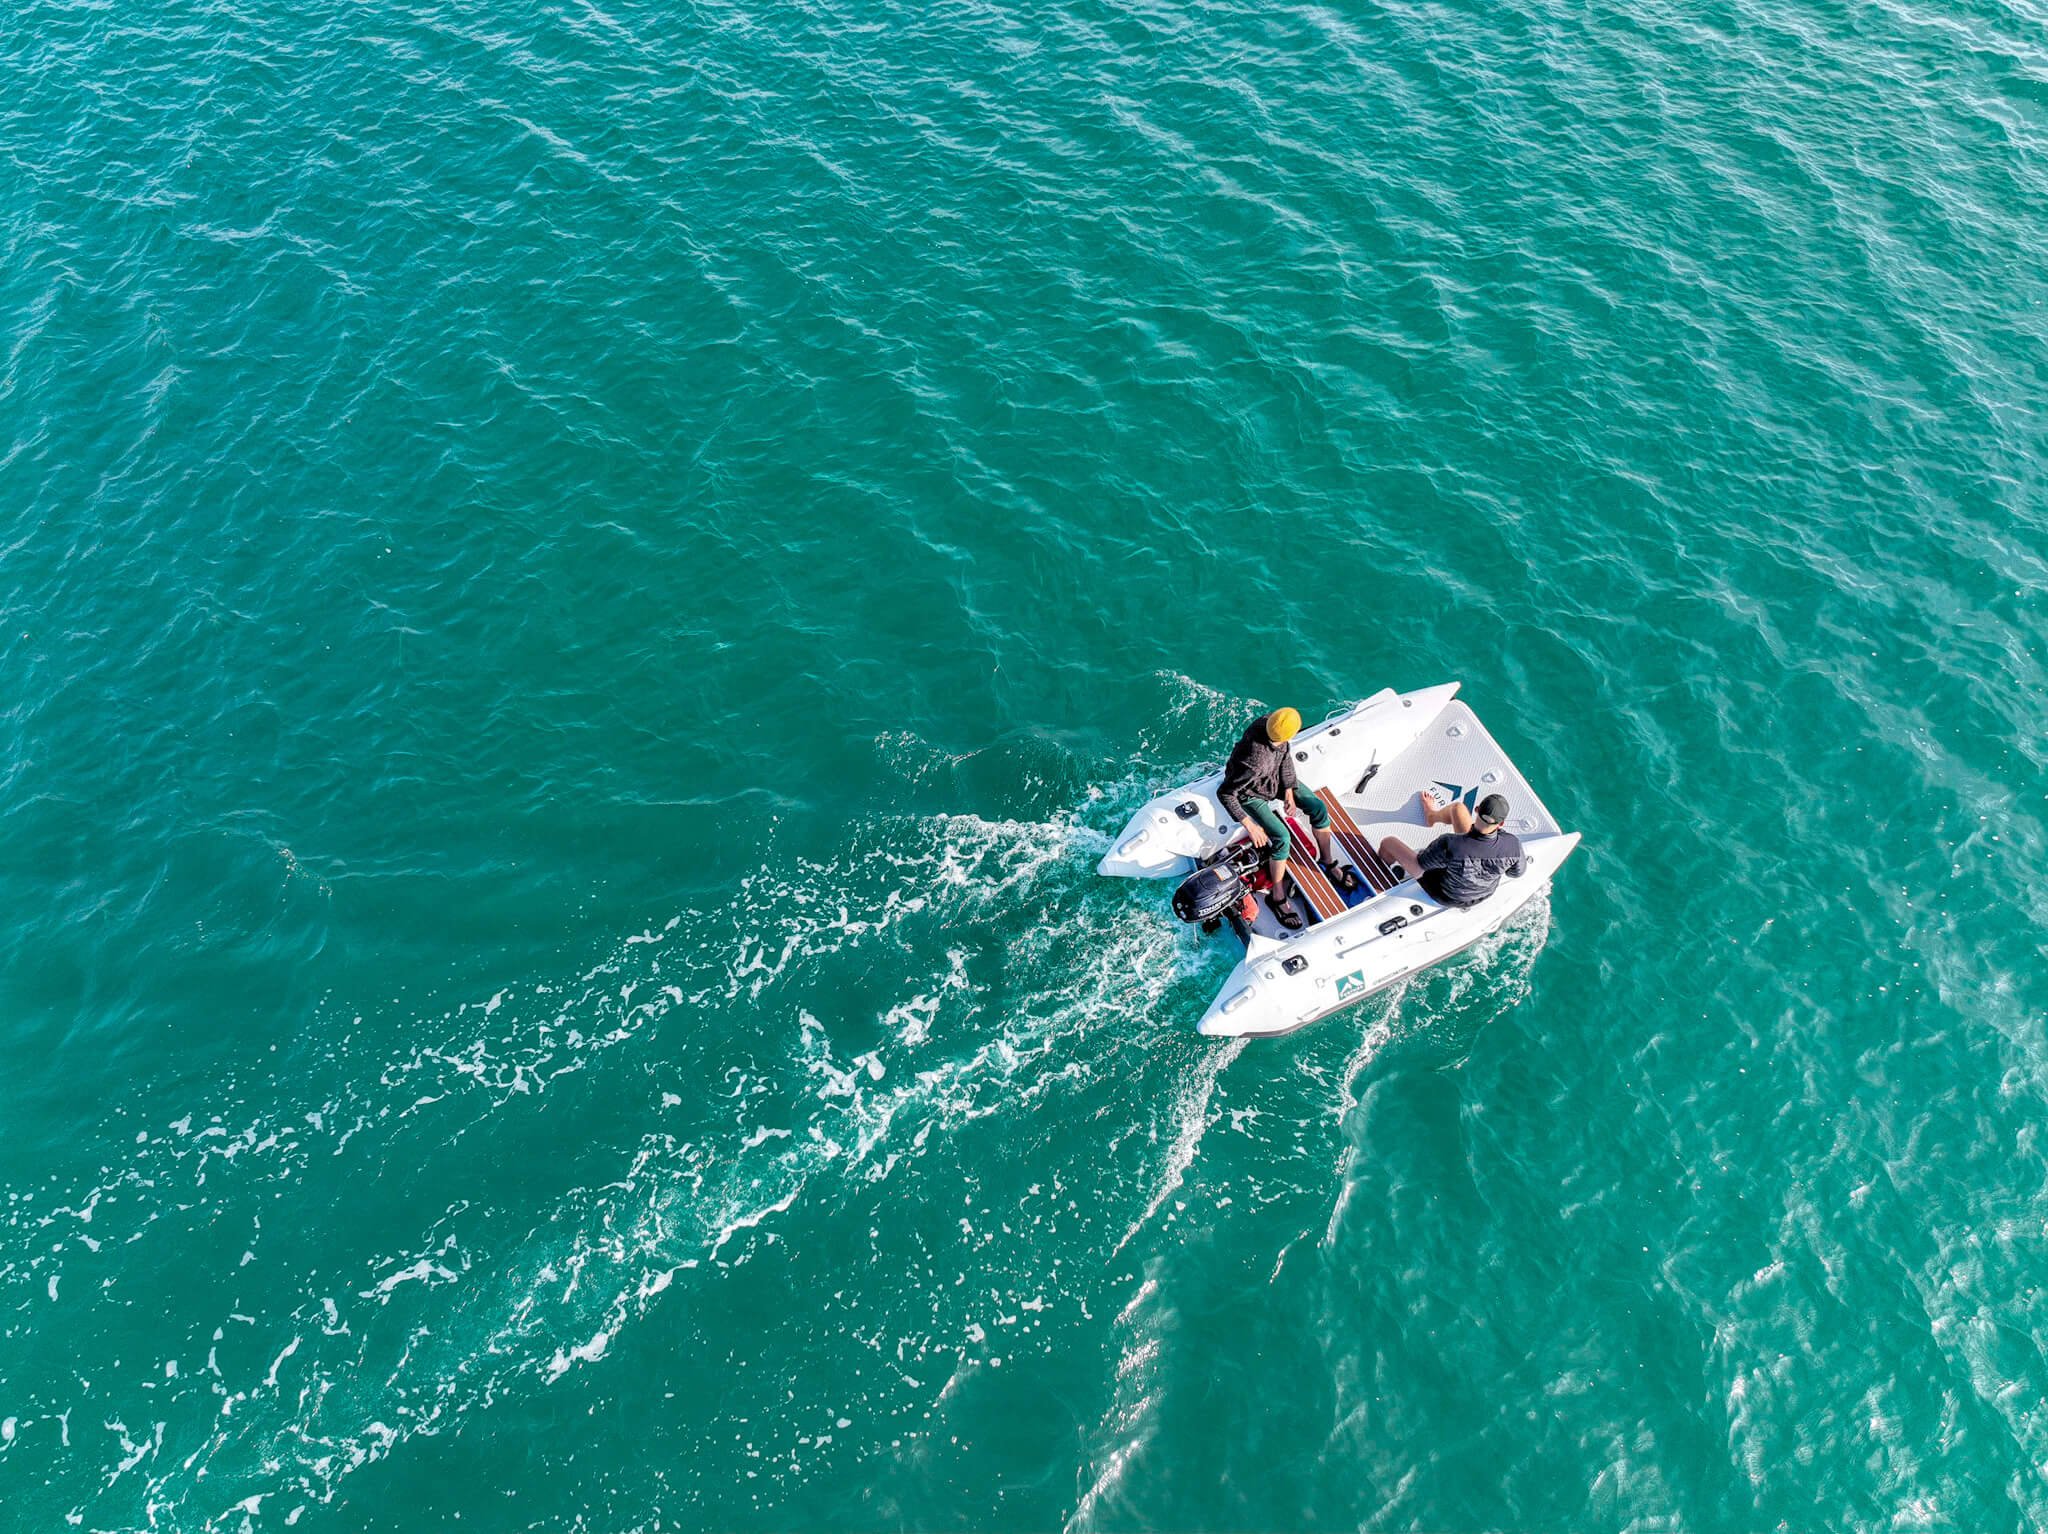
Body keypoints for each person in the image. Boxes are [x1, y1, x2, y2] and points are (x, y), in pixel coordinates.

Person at [1217, 707, 1359, 930]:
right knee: (1282, 837)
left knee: (1318, 808)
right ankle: (1278, 894)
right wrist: (1250, 825)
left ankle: (1328, 862)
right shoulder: (1255, 762)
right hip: (1251, 795)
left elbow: (1284, 757)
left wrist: (1290, 791)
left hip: (1274, 782)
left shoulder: (1269, 724)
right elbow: (1226, 793)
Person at [1378, 790, 1527, 909]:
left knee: (1389, 843)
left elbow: (1423, 863)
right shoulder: (1513, 845)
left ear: (1476, 810)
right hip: (1482, 894)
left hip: (1446, 894)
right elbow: (1516, 873)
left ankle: (1384, 874)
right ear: (1501, 824)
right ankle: (1431, 816)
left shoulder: (1451, 843)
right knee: (1458, 809)